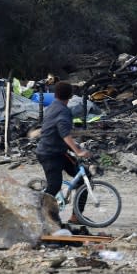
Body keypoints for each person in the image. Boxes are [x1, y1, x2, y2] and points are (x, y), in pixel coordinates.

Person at [35, 81, 91, 227]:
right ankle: (39, 214)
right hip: (50, 154)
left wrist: (75, 148)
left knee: (84, 177)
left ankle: (76, 217)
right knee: (54, 186)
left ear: (54, 94)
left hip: (57, 151)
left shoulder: (51, 107)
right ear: (71, 95)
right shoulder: (63, 111)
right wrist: (78, 151)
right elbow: (64, 134)